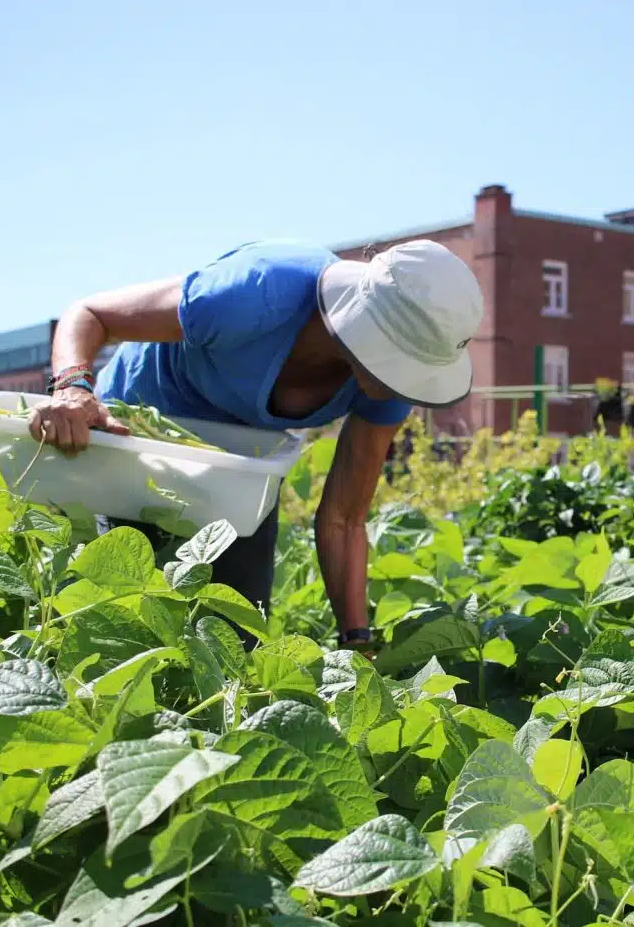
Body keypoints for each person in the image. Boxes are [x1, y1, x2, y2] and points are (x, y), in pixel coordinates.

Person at [29, 238, 483, 650]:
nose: (400, 380)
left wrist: (356, 639)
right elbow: (91, 314)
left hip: (239, 472)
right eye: (399, 362)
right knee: (127, 621)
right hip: (142, 440)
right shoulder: (259, 290)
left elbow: (345, 517)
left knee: (234, 638)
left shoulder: (390, 386)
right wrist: (73, 388)